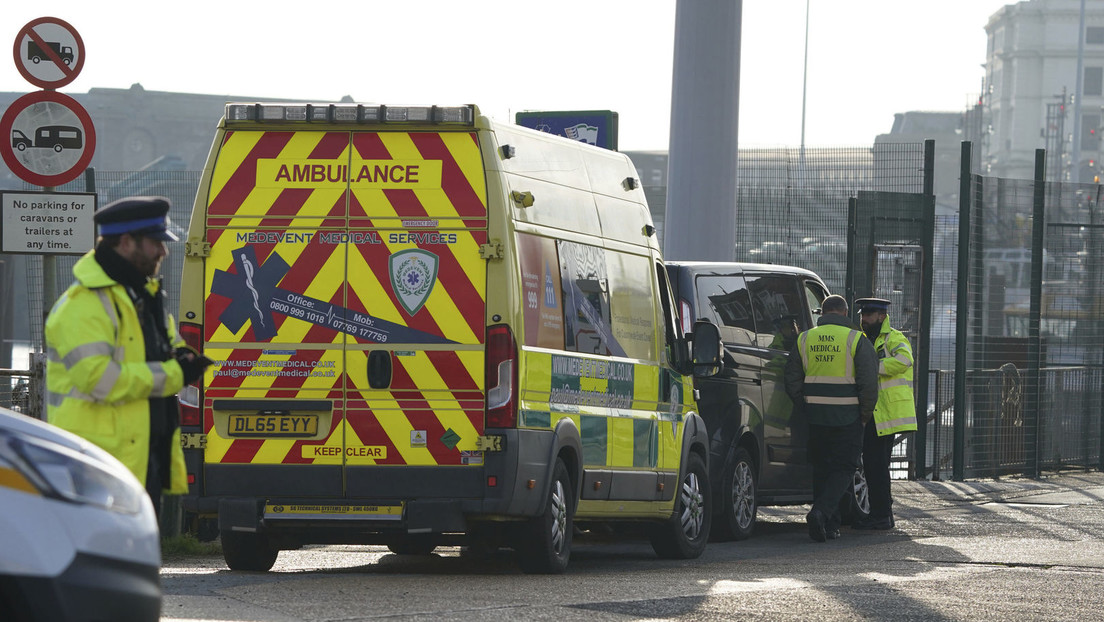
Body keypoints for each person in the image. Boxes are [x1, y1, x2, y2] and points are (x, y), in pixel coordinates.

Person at [45, 196, 211, 517]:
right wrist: (176, 374)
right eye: (155, 243)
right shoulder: (83, 306)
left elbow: (168, 350)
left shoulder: (142, 296)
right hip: (95, 468)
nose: (164, 251)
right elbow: (99, 380)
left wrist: (183, 359)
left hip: (136, 461)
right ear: (125, 242)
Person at [784, 295, 878, 542]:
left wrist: (805, 406)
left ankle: (829, 525)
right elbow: (868, 383)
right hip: (848, 415)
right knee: (845, 467)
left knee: (822, 468)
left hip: (815, 416)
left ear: (822, 313)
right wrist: (865, 415)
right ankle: (821, 513)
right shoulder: (857, 339)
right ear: (845, 313)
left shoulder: (805, 338)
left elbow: (792, 379)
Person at [853, 298, 918, 530]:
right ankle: (883, 511)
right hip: (873, 411)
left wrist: (874, 366)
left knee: (875, 464)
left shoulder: (894, 338)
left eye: (868, 315)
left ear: (881, 316)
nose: (864, 319)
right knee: (875, 464)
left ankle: (881, 514)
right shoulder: (861, 338)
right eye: (862, 315)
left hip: (886, 413)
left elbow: (905, 360)